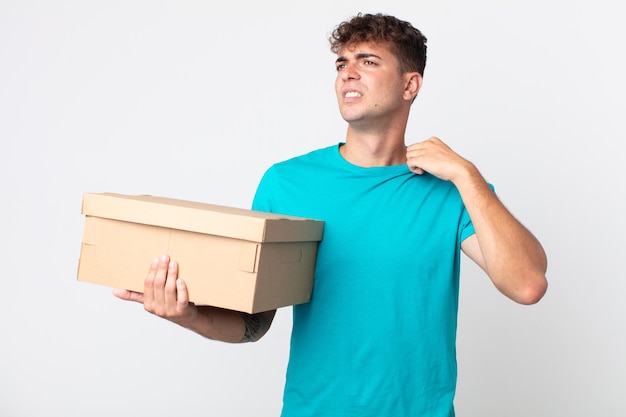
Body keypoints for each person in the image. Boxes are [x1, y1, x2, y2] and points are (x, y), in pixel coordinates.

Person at [113, 13, 548, 417]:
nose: (348, 73)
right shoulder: (287, 184)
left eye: (368, 61)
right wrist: (187, 314)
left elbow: (527, 284)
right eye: (341, 63)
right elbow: (254, 322)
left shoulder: (451, 191)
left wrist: (467, 175)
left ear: (410, 85)